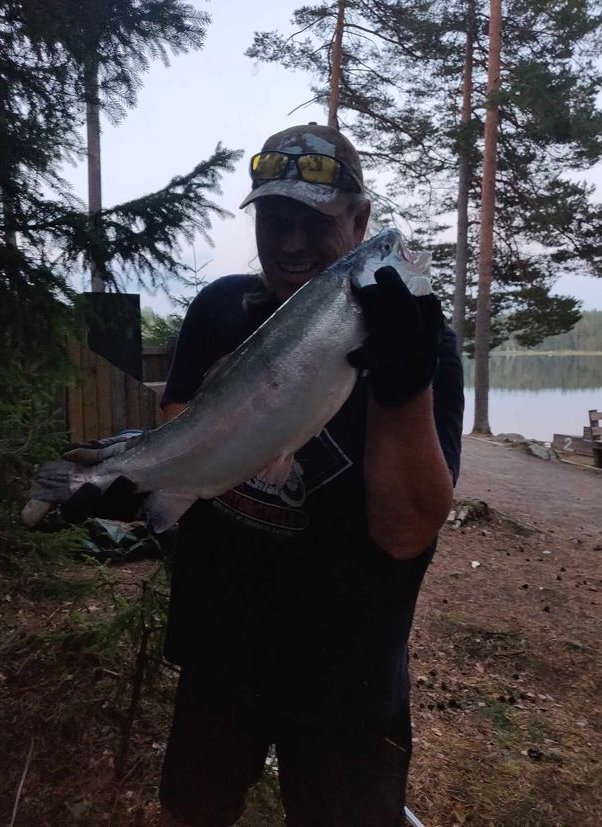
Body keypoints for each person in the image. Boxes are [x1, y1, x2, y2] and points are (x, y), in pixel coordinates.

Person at [155, 123, 464, 827]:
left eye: (315, 222)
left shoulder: (422, 345)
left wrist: (403, 383)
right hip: (221, 649)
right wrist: (147, 474)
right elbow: (178, 420)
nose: (290, 242)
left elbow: (406, 532)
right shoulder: (219, 310)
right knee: (193, 811)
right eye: (274, 220)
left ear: (359, 220)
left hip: (348, 673)